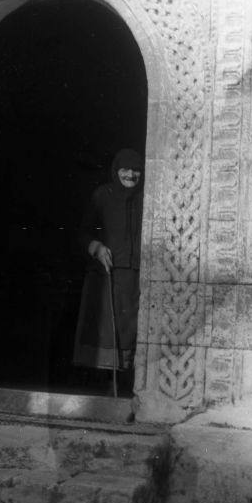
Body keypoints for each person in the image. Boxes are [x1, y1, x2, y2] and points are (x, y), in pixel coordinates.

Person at [73, 148, 144, 402]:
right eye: (125, 169)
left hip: (136, 278)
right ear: (116, 171)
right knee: (106, 332)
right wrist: (97, 247)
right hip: (106, 276)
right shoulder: (102, 195)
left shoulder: (146, 197)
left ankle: (127, 390)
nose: (131, 174)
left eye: (136, 170)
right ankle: (102, 392)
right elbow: (83, 233)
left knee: (131, 332)